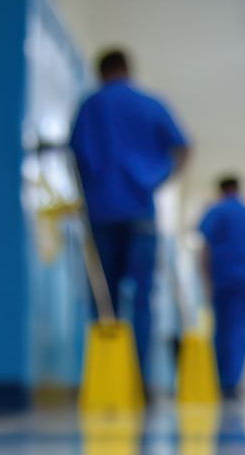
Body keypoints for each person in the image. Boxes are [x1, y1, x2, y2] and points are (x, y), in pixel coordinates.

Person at [69, 48, 190, 388]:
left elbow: (74, 155)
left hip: (101, 213)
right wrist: (155, 179)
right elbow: (184, 148)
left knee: (103, 300)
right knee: (142, 296)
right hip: (141, 212)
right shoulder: (150, 103)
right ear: (128, 69)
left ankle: (108, 380)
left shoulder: (90, 105)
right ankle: (140, 381)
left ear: (101, 72)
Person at [196, 175, 245, 399]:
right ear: (239, 188)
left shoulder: (215, 211)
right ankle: (234, 382)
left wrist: (205, 282)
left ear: (220, 190)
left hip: (222, 280)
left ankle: (222, 381)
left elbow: (204, 249)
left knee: (222, 331)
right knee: (241, 331)